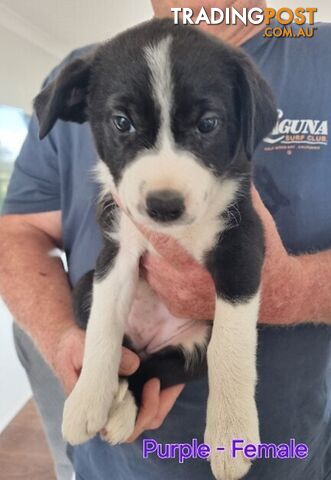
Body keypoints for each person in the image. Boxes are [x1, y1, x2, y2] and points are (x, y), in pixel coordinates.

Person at [1, 1, 330, 478]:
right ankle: (127, 391)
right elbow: (20, 233)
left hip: (291, 455)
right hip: (116, 464)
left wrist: (293, 290)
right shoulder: (100, 68)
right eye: (124, 123)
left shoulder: (305, 56)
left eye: (206, 124)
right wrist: (70, 346)